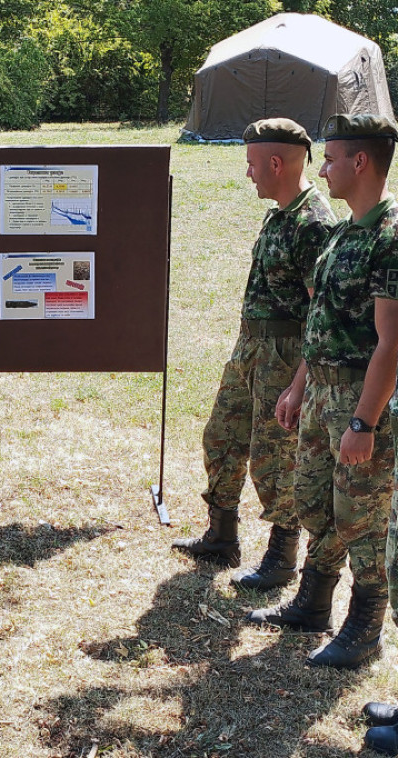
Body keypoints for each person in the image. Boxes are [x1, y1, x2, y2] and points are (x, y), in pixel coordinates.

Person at [247, 113, 398, 673]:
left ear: (361, 162)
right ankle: (313, 602)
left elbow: (391, 344)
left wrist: (365, 422)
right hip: (319, 395)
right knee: (315, 502)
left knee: (361, 518)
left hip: (359, 400)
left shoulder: (389, 238)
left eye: (331, 158)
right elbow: (320, 319)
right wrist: (299, 386)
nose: (324, 169)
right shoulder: (341, 234)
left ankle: (363, 627)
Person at [172, 118, 335, 591]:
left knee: (275, 457)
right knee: (221, 434)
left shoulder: (313, 226)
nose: (248, 174)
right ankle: (221, 536)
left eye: (251, 164)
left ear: (276, 163)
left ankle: (281, 559)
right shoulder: (279, 215)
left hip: (285, 356)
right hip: (252, 348)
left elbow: (319, 316)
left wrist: (299, 382)